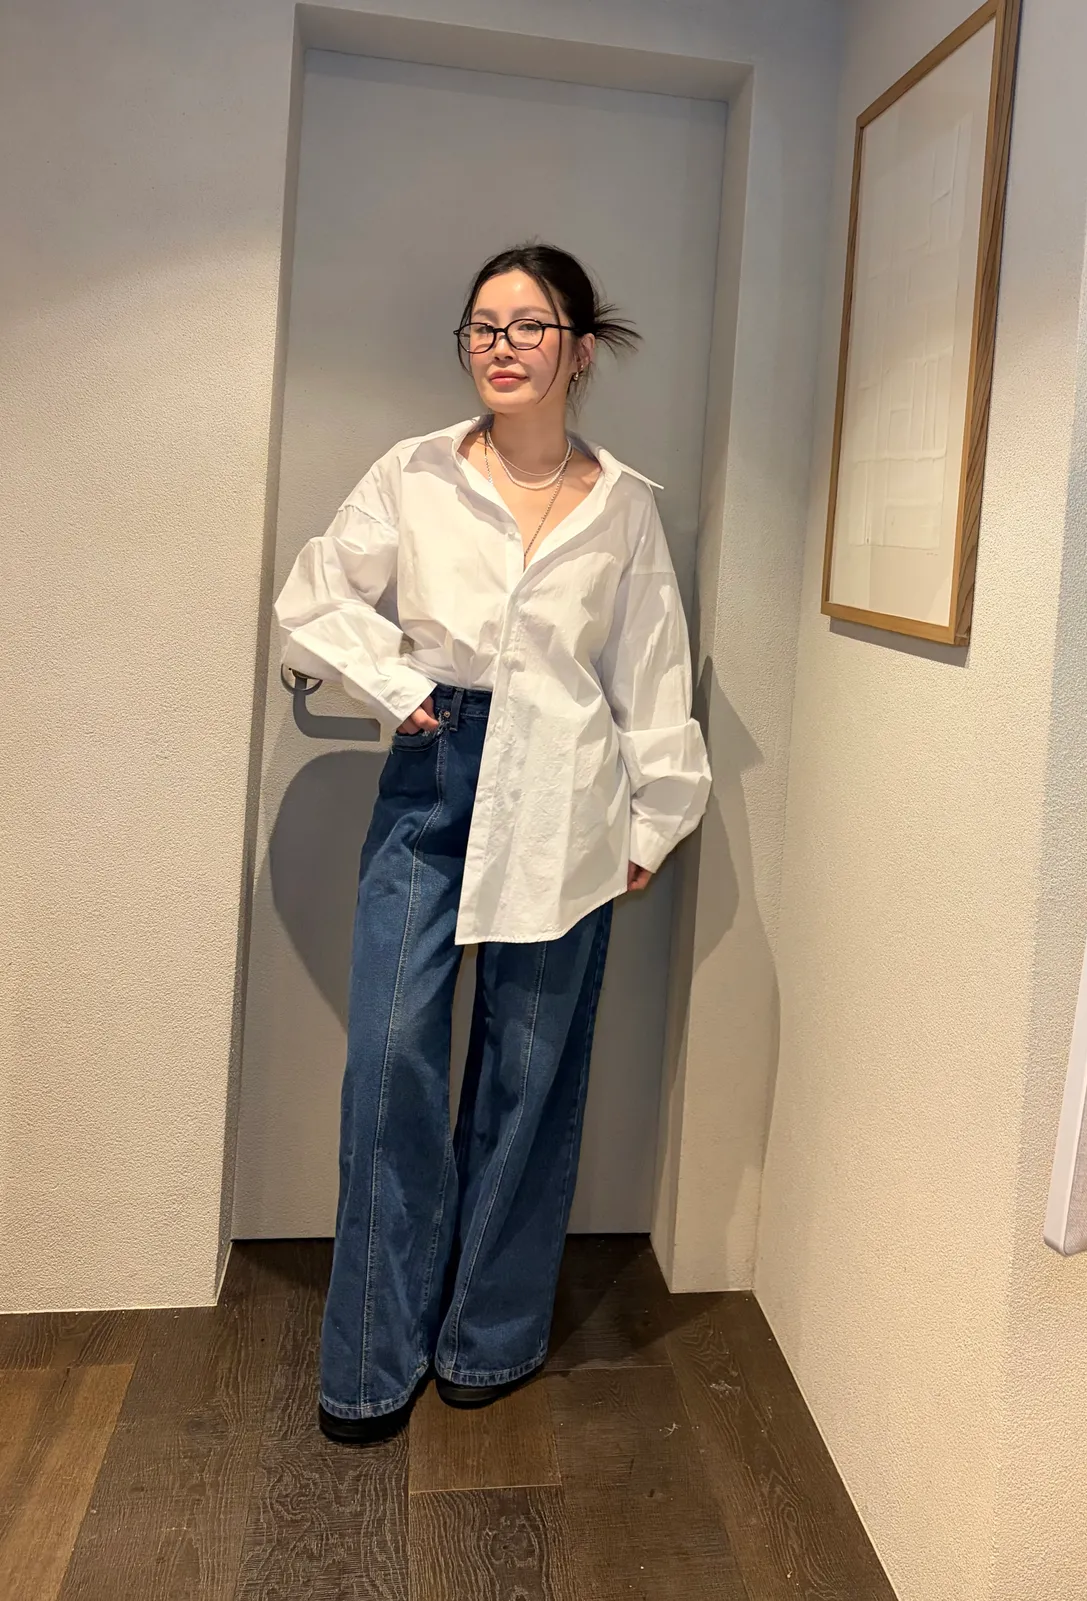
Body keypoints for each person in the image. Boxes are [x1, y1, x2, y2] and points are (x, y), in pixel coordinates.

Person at [273, 242, 711, 1445]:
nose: (500, 346)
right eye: (481, 326)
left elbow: (651, 673)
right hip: (434, 774)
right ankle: (372, 1358)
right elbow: (315, 595)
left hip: (568, 791)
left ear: (581, 348)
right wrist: (396, 684)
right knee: (392, 1060)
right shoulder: (414, 473)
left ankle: (488, 1335)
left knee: (530, 1072)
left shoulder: (623, 506)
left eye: (527, 326)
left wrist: (655, 817)